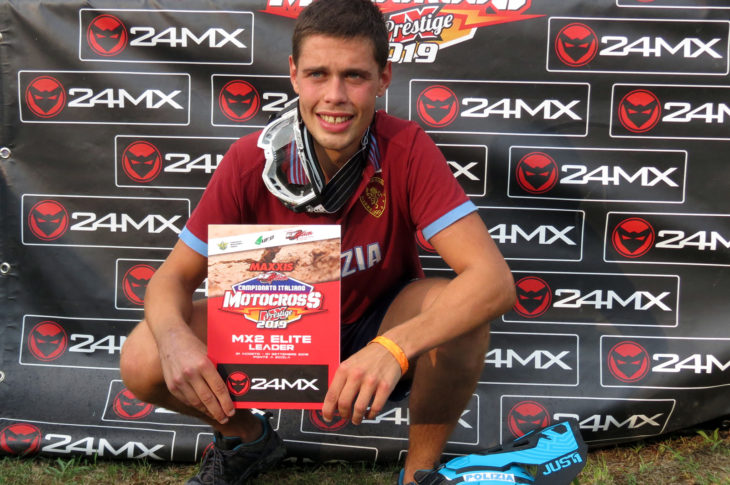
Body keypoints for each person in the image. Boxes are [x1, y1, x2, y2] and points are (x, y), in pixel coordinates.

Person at [119, 0, 515, 484]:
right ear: (293, 74)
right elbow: (172, 279)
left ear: (384, 77)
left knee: (463, 316)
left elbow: (494, 282)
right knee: (143, 356)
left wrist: (391, 349)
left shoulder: (406, 147)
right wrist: (174, 340)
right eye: (317, 74)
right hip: (279, 324)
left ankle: (419, 475)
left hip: (378, 324)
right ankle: (247, 440)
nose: (334, 96)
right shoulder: (250, 160)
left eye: (354, 76)